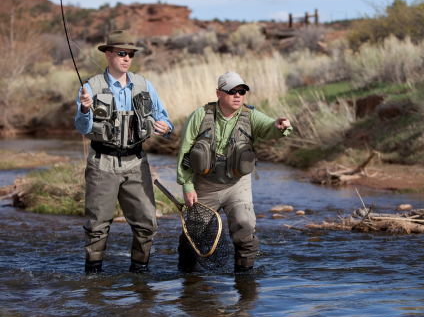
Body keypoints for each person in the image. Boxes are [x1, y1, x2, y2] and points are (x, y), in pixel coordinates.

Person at [75, 30, 173, 274]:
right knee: (97, 226)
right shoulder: (90, 87)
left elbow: (163, 118)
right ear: (108, 55)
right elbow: (82, 127)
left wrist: (166, 127)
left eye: (130, 54)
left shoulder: (144, 84)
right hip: (102, 162)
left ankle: (140, 275)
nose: (126, 58)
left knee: (147, 224)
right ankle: (94, 277)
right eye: (121, 53)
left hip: (136, 162)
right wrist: (85, 110)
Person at [176, 71, 292, 274]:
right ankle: (187, 280)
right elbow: (185, 152)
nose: (238, 95)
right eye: (232, 91)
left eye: (242, 91)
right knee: (192, 236)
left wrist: (279, 126)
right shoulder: (200, 116)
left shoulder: (251, 116)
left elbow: (268, 127)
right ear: (219, 93)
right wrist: (187, 186)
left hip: (238, 185)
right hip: (204, 185)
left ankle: (245, 281)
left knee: (244, 229)